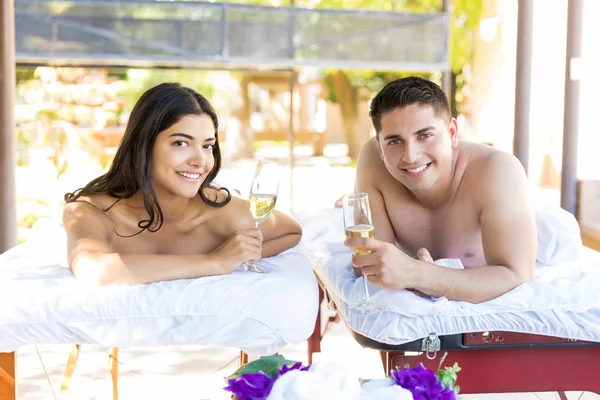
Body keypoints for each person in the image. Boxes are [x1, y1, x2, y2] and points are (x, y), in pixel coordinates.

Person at [63, 83, 302, 286]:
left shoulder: (220, 212)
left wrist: (242, 255)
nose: (199, 161)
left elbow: (291, 231)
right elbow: (92, 269)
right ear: (143, 145)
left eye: (207, 146)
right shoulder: (90, 211)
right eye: (181, 143)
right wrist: (214, 260)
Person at [343, 77, 537, 303]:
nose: (411, 156)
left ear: (452, 133)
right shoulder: (373, 159)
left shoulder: (498, 170)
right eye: (395, 142)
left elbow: (518, 278)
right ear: (380, 144)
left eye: (425, 136)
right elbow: (371, 266)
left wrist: (419, 275)